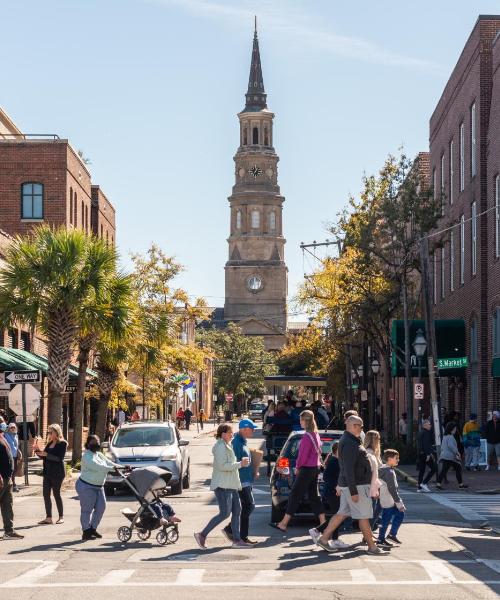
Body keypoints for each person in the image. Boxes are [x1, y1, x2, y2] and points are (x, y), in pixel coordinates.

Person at [315, 416, 388, 555]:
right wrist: (354, 491)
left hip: (351, 485)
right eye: (360, 426)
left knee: (342, 513)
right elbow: (348, 469)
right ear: (354, 426)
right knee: (364, 516)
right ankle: (372, 547)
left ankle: (324, 539)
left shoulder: (350, 440)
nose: (361, 429)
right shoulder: (349, 442)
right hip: (356, 486)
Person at [194, 424, 250, 549]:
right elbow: (223, 466)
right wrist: (240, 464)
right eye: (230, 432)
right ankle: (202, 535)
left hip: (231, 484)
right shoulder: (220, 447)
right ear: (223, 434)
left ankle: (237, 540)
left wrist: (239, 464)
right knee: (224, 513)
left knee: (237, 510)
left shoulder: (226, 445)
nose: (232, 434)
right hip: (222, 485)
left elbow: (229, 464)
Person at [270, 410, 326, 532]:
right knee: (314, 496)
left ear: (305, 421)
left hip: (306, 469)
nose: (299, 422)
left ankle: (283, 523)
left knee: (295, 494)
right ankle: (323, 522)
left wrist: (298, 468)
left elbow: (302, 456)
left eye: (301, 420)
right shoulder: (315, 434)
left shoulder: (306, 436)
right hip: (315, 468)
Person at [76, 434, 120, 540]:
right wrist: (112, 470)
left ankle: (93, 528)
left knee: (101, 507)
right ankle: (86, 531)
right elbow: (98, 467)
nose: (96, 444)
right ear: (88, 443)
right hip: (87, 486)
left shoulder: (99, 454)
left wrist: (122, 467)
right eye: (93, 442)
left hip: (99, 486)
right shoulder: (86, 456)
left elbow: (109, 463)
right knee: (87, 510)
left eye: (98, 442)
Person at [308, 441, 349, 550]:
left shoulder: (336, 461)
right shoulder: (334, 462)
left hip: (333, 492)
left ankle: (334, 539)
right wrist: (336, 485)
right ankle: (317, 531)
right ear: (339, 451)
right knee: (338, 515)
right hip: (332, 492)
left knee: (338, 515)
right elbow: (327, 477)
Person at [223, 419, 258, 544]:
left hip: (246, 479)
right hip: (241, 481)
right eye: (251, 428)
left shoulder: (242, 441)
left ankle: (236, 532)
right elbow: (232, 463)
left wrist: (254, 469)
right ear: (244, 429)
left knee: (246, 506)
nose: (253, 430)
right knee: (249, 505)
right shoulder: (236, 443)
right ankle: (236, 532)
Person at [34, 424, 68, 525]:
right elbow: (44, 457)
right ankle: (48, 518)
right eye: (48, 432)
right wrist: (37, 450)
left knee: (56, 494)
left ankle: (61, 517)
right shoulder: (49, 444)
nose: (49, 433)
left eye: (50, 432)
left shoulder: (63, 443)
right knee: (45, 494)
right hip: (47, 472)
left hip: (57, 473)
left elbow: (59, 458)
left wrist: (47, 454)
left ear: (56, 432)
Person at [0, 421, 23, 539]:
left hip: (7, 477)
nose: (3, 425)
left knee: (7, 504)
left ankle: (9, 531)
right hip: (1, 478)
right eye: (1, 423)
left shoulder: (3, 437)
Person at [377, 449, 406, 545]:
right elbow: (392, 489)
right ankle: (382, 539)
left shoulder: (384, 469)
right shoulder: (388, 471)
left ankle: (389, 536)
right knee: (387, 519)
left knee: (396, 516)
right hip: (389, 500)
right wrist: (399, 503)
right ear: (389, 459)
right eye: (396, 458)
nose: (398, 460)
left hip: (387, 499)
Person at [436, 422, 468, 489]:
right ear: (451, 429)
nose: (455, 430)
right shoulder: (450, 437)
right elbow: (451, 446)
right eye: (454, 429)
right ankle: (460, 485)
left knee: (445, 470)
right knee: (457, 469)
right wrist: (457, 452)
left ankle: (438, 484)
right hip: (450, 457)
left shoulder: (445, 436)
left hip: (445, 456)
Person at [363, 430, 382, 532]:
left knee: (373, 511)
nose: (379, 441)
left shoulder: (372, 452)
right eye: (378, 439)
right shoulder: (370, 453)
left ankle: (369, 532)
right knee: (372, 512)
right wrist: (375, 490)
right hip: (372, 488)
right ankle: (368, 534)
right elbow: (371, 474)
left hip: (373, 487)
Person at [417, 419, 436, 492]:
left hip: (421, 454)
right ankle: (424, 483)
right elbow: (426, 444)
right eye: (429, 424)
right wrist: (428, 454)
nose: (430, 425)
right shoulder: (426, 433)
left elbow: (420, 445)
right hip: (425, 454)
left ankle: (419, 487)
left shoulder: (420, 432)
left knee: (422, 470)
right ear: (425, 425)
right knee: (434, 468)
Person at [5, 423, 20, 492]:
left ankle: (12, 484)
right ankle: (12, 485)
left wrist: (19, 451)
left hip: (15, 455)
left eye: (14, 427)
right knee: (11, 471)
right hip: (9, 456)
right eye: (11, 427)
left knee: (15, 470)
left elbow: (16, 446)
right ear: (8, 428)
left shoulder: (16, 435)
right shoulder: (6, 435)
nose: (13, 428)